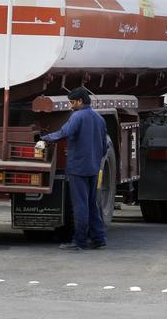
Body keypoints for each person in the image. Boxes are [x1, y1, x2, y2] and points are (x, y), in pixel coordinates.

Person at [41, 87, 108, 250]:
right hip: (93, 167)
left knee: (80, 206)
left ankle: (79, 242)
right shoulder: (99, 119)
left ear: (80, 101)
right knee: (93, 204)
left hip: (78, 168)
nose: (70, 106)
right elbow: (105, 146)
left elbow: (65, 132)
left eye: (72, 102)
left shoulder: (77, 116)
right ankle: (99, 238)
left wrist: (44, 138)